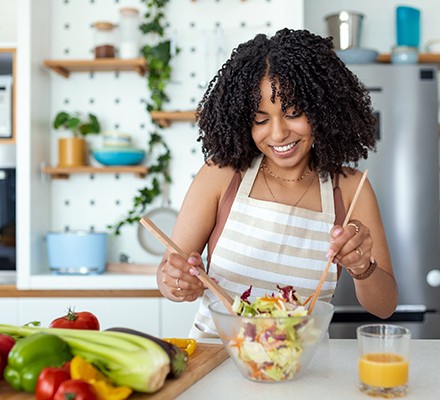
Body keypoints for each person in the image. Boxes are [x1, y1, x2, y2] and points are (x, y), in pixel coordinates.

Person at [156, 28, 398, 337]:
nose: (278, 133)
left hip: (301, 369)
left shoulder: (351, 189)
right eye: (261, 119)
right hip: (216, 364)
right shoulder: (222, 174)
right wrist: (177, 283)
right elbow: (168, 275)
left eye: (294, 113)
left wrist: (363, 267)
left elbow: (385, 306)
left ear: (324, 109)